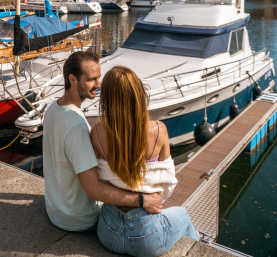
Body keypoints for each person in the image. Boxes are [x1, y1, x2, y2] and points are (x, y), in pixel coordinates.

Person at [42, 51, 162, 233]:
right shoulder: (77, 127)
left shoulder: (53, 108)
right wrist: (143, 200)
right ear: (73, 80)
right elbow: (93, 190)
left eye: (98, 78)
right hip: (80, 218)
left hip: (56, 210)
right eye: (92, 79)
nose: (98, 85)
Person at [92, 66, 199, 257]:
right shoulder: (158, 130)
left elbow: (100, 181)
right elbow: (167, 187)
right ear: (138, 94)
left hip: (107, 232)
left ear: (106, 98)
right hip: (146, 238)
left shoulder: (96, 132)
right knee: (182, 214)